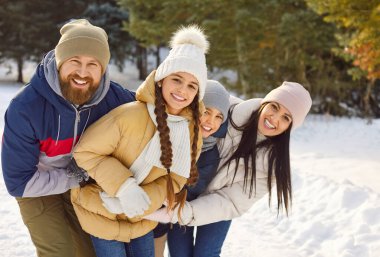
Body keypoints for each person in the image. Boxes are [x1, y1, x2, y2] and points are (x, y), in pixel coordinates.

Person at [1, 19, 136, 257]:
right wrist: (78, 176)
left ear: (103, 68)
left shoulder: (116, 99)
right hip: (37, 187)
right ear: (60, 61)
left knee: (90, 251)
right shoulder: (25, 108)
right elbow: (18, 182)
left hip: (82, 185)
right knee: (60, 251)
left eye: (93, 64)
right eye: (75, 61)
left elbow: (156, 107)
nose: (83, 73)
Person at [70, 25, 208, 257]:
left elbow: (175, 179)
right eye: (177, 79)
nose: (182, 90)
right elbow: (85, 152)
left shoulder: (191, 133)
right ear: (161, 80)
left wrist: (142, 200)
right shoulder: (130, 115)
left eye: (192, 86)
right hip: (100, 210)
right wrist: (124, 189)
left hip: (141, 218)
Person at [146, 81, 312, 257]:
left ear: (290, 127)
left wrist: (182, 213)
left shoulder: (272, 167)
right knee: (179, 253)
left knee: (206, 253)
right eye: (274, 107)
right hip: (184, 191)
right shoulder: (227, 110)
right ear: (265, 103)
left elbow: (230, 201)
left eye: (286, 118)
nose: (274, 118)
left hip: (219, 203)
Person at [152, 80, 231, 257]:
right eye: (206, 111)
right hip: (178, 206)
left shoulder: (221, 146)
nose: (211, 121)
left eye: (219, 116)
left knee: (206, 253)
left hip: (210, 204)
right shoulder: (172, 134)